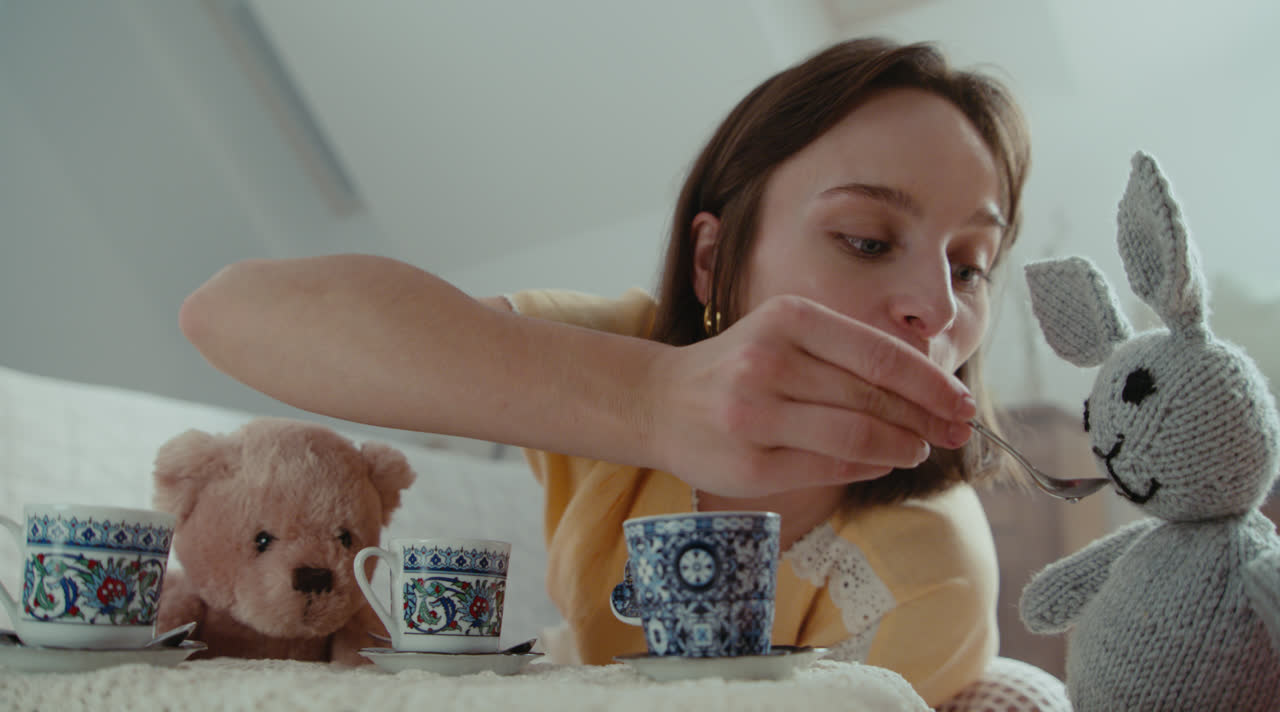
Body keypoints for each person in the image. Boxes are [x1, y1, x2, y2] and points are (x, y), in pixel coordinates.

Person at [181, 38, 1043, 707]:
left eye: (970, 264)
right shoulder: (630, 345)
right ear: (714, 262)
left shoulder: (930, 570)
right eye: (866, 240)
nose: (934, 306)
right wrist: (643, 399)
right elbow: (228, 314)